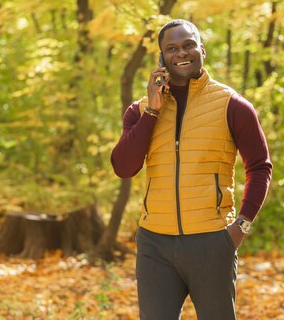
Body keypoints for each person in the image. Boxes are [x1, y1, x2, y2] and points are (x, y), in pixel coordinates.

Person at [111, 19, 272, 320]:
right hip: (154, 245)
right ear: (161, 58)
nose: (180, 53)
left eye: (188, 45)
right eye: (171, 48)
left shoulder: (232, 105)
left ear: (202, 49)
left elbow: (260, 167)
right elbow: (123, 167)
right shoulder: (141, 110)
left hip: (211, 241)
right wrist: (152, 112)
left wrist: (241, 227)